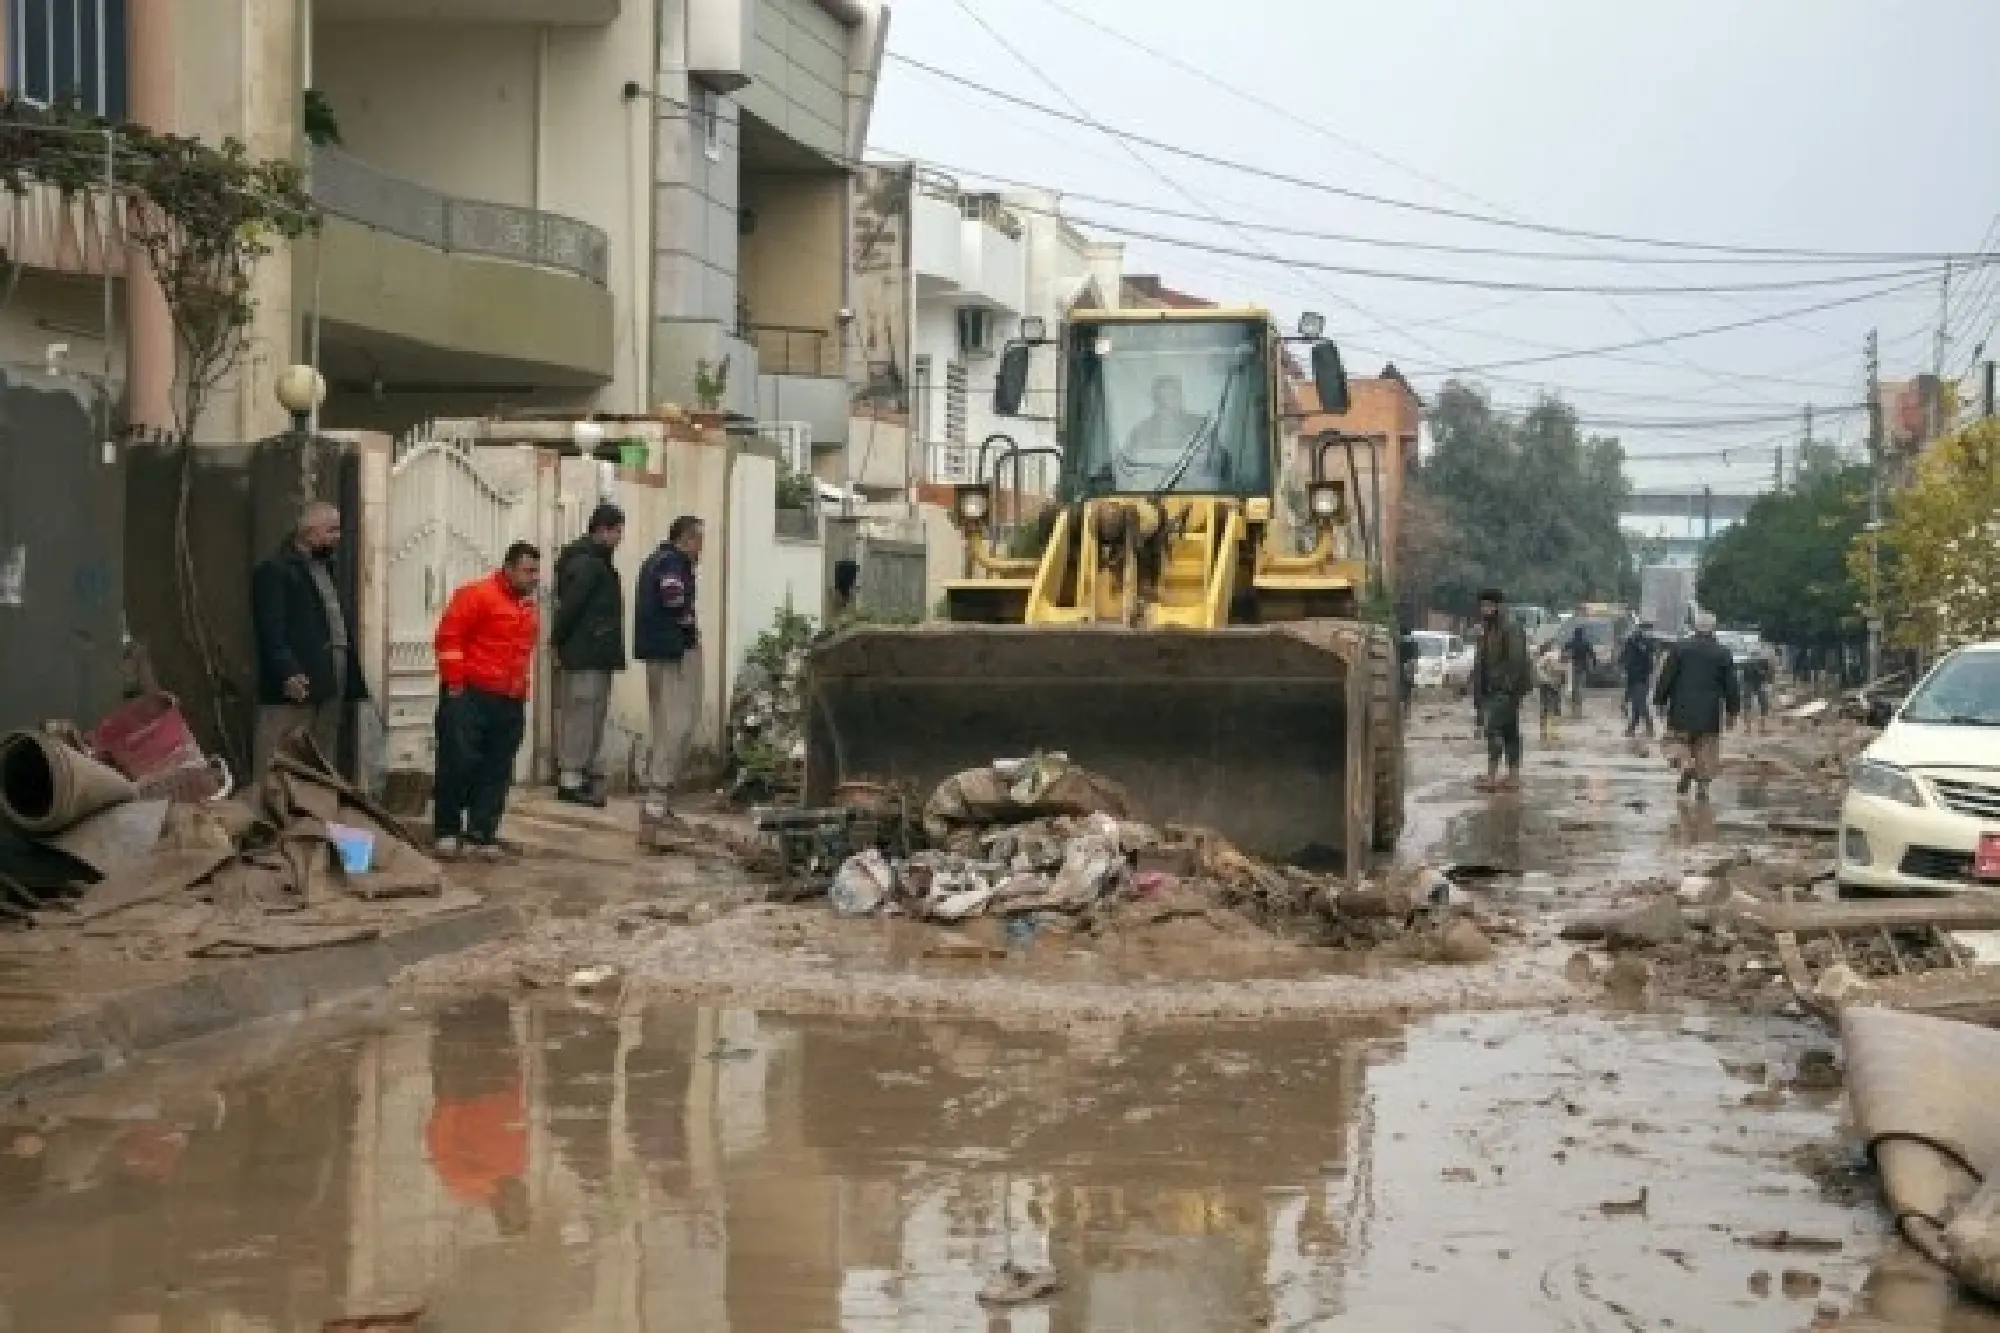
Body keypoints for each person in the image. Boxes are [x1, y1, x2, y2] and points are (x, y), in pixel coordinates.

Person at [432, 542, 541, 860]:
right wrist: (454, 684)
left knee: (497, 769)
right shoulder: (476, 595)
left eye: (536, 571)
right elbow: (449, 637)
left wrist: (520, 690)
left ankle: (482, 833)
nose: (533, 578)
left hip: (509, 698)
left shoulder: (527, 608)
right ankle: (447, 831)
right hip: (470, 694)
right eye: (527, 571)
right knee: (457, 762)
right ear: (508, 568)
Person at [250, 501, 368, 781]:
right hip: (295, 684)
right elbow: (270, 628)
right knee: (278, 756)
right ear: (309, 532)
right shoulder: (275, 570)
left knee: (318, 758)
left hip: (327, 682)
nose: (337, 537)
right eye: (331, 530)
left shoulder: (325, 569)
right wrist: (288, 671)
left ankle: (312, 815)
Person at [550, 503, 626, 808]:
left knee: (592, 714)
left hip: (596, 651)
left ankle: (580, 776)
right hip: (584, 652)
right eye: (617, 530)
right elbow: (570, 608)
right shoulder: (586, 564)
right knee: (581, 714)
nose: (620, 537)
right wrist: (557, 642)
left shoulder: (598, 561)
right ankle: (570, 779)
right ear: (603, 529)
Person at [635, 515, 704, 826]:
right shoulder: (673, 563)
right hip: (673, 652)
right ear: (687, 539)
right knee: (677, 725)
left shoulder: (656, 559)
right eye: (699, 540)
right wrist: (688, 624)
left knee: (666, 723)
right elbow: (674, 597)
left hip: (659, 652)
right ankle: (656, 802)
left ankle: (657, 803)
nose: (701, 548)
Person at [1654, 611, 1741, 802]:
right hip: (1709, 714)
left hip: (1680, 711)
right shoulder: (1723, 653)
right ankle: (1702, 785)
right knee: (1706, 749)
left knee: (1675, 743)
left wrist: (1659, 701)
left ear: (1694, 627)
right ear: (1713, 629)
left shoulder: (1679, 649)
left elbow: (1666, 677)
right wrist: (1732, 711)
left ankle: (1685, 765)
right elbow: (1731, 686)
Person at [1470, 587, 1533, 791]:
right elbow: (1482, 662)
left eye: (1488, 605)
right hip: (1491, 689)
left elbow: (1517, 661)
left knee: (1492, 728)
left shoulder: (1510, 628)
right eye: (1482, 605)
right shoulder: (1487, 629)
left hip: (1505, 690)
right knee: (1509, 731)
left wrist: (1508, 687)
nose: (1484, 609)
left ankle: (1492, 775)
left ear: (1497, 607)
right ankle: (1513, 775)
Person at [1621, 624, 1659, 738]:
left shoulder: (1647, 644)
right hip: (1634, 677)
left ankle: (1646, 727)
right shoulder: (1632, 643)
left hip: (1641, 677)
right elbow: (1623, 658)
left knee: (1640, 703)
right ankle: (1635, 728)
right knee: (1635, 703)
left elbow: (1650, 660)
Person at [1533, 639, 1566, 741]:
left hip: (1544, 684)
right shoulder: (1554, 657)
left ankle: (1543, 732)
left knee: (1544, 707)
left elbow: (1536, 675)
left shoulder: (1539, 660)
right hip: (1553, 684)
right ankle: (1554, 732)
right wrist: (1561, 682)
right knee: (1555, 707)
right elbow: (1561, 671)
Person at [1562, 624, 1596, 718]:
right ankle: (1578, 704)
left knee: (1574, 686)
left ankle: (1574, 703)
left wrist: (1563, 659)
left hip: (1574, 665)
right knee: (1580, 686)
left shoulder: (1572, 642)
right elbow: (1593, 655)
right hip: (1583, 667)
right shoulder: (1585, 643)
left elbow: (1564, 648)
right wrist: (1594, 665)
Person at [1741, 643, 1775, 733]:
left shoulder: (1747, 662)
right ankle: (1760, 727)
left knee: (1750, 705)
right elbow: (1769, 673)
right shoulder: (1762, 661)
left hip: (1752, 683)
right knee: (1762, 705)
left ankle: (1749, 727)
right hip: (1757, 683)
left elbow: (1744, 675)